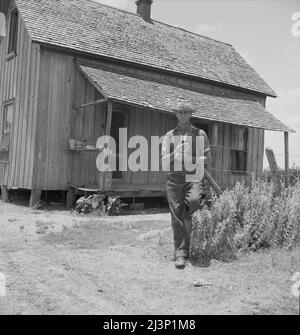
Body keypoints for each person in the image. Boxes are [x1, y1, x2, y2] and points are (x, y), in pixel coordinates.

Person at [161, 101, 212, 269]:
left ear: (191, 114)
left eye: (186, 112)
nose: (183, 115)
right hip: (174, 179)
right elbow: (163, 161)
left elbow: (207, 159)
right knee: (176, 215)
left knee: (194, 202)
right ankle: (180, 254)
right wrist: (175, 154)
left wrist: (190, 160)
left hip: (193, 177)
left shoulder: (200, 134)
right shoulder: (169, 136)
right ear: (175, 114)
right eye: (180, 112)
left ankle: (188, 219)